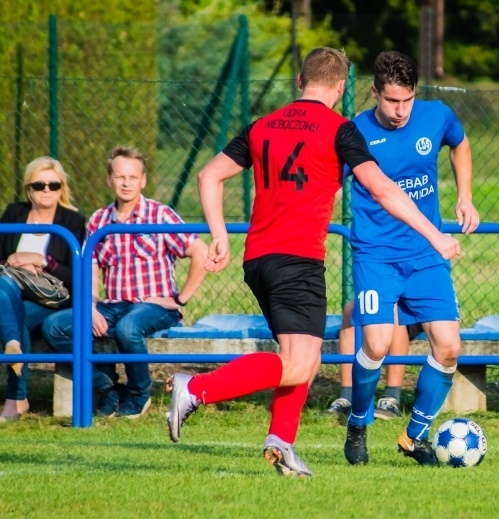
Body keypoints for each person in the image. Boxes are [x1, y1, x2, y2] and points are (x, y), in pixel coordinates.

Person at [164, 47, 460, 478]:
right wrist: (435, 234)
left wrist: (221, 235)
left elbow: (209, 176)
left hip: (259, 259)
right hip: (297, 259)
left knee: (299, 353)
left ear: (300, 82)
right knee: (301, 362)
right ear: (341, 88)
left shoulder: (262, 126)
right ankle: (196, 388)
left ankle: (282, 442)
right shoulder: (341, 129)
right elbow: (382, 189)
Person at [343, 51, 479, 467]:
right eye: (391, 101)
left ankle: (414, 436)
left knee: (450, 347)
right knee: (378, 344)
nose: (400, 111)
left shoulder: (435, 116)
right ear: (374, 93)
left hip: (425, 256)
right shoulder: (353, 132)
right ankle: (358, 423)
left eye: (406, 100)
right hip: (376, 256)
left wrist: (465, 195)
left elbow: (460, 144)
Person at [42, 146, 208, 419]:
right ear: (110, 180)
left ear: (143, 180)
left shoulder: (160, 215)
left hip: (153, 305)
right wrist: (92, 307)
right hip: (112, 305)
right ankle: (106, 386)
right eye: (120, 177)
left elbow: (200, 252)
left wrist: (180, 300)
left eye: (133, 177)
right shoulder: (99, 219)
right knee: (56, 326)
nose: (127, 183)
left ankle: (138, 394)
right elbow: (91, 269)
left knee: (128, 327)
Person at [0, 157, 86, 422]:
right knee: (5, 290)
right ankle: (18, 396)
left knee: (14, 314)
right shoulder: (14, 214)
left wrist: (42, 261)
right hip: (12, 293)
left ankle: (15, 395)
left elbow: (77, 278)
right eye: (39, 185)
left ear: (62, 189)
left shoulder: (72, 221)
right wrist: (14, 262)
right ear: (29, 189)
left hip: (52, 299)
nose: (47, 190)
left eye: (53, 185)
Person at [326, 300, 423, 420]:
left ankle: (391, 398)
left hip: (413, 306)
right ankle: (347, 397)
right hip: (381, 297)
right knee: (352, 308)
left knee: (394, 310)